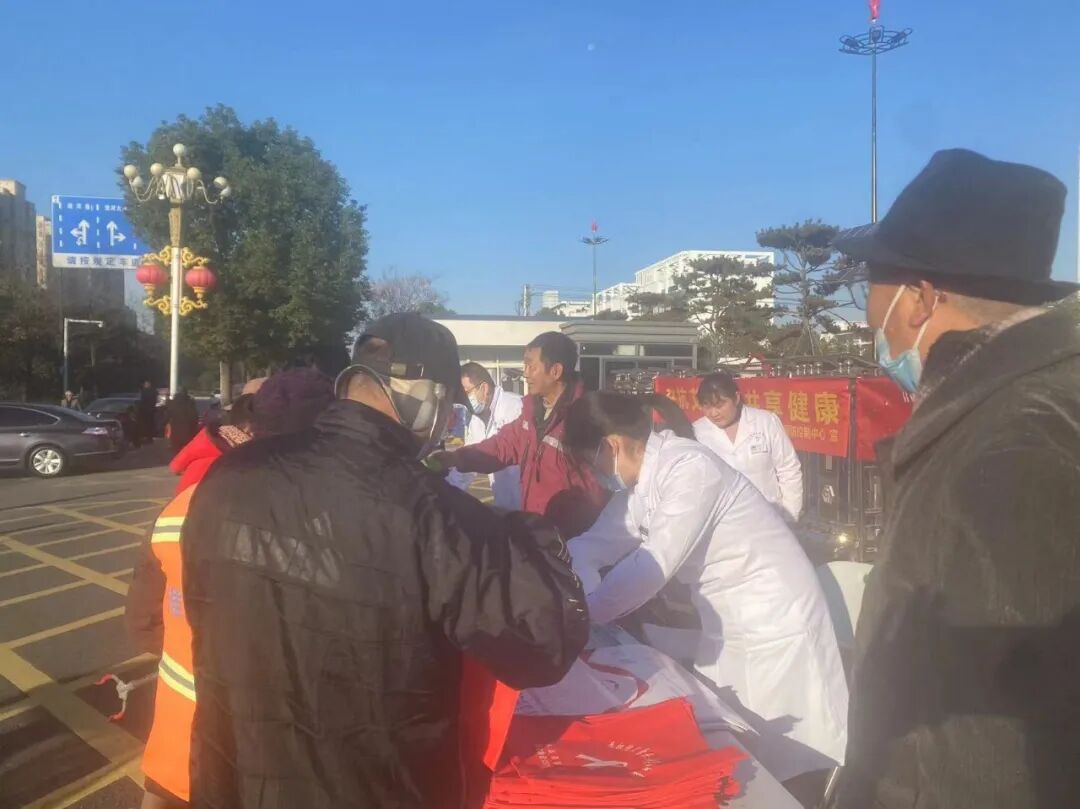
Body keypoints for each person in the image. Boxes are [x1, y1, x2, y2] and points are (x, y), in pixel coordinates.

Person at [180, 313, 588, 809]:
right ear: (425, 396)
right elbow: (541, 647)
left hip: (236, 780)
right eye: (447, 408)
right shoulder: (437, 515)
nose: (446, 424)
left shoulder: (228, 476)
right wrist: (530, 535)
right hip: (377, 788)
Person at [827, 149, 1080, 809]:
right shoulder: (1014, 402)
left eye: (871, 286)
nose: (867, 316)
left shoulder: (1015, 446)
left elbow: (987, 743)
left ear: (918, 298)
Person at [563, 391, 848, 794]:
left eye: (590, 464)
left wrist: (583, 615)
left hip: (777, 621)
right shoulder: (641, 487)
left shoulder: (690, 469)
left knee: (788, 756)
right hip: (731, 625)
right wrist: (559, 580)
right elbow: (593, 545)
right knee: (735, 747)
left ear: (610, 447)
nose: (595, 476)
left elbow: (651, 567)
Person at [126, 369, 336, 809]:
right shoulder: (334, 528)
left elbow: (144, 622)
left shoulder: (181, 509)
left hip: (180, 745)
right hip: (273, 759)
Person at [431, 332, 606, 539]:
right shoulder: (531, 412)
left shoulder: (584, 418)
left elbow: (595, 487)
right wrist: (457, 458)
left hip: (568, 537)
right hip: (535, 529)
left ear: (555, 371)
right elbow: (502, 445)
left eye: (531, 366)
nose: (526, 373)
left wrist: (572, 538)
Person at [692, 372, 803, 522]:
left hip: (768, 518)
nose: (713, 413)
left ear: (736, 398)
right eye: (707, 407)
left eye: (720, 405)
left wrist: (790, 516)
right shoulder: (697, 433)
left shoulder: (765, 422)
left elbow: (788, 469)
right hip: (724, 522)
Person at [449, 362, 524, 508]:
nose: (465, 400)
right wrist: (445, 491)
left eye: (467, 393)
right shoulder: (476, 420)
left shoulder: (516, 408)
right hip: (505, 508)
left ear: (484, 388)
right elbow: (468, 464)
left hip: (530, 508)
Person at [166, 388, 199, 456]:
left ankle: (178, 460)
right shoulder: (190, 403)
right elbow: (194, 417)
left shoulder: (174, 403)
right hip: (188, 431)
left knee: (177, 451)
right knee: (188, 451)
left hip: (176, 431)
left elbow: (167, 414)